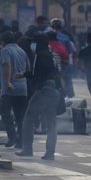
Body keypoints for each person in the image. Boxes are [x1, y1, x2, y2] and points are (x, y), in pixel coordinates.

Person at [15, 32, 61, 160]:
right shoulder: (51, 55)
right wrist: (24, 74)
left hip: (44, 91)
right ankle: (50, 153)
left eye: (34, 42)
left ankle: (27, 149)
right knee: (51, 123)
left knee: (28, 119)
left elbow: (37, 76)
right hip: (54, 91)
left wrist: (24, 75)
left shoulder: (40, 56)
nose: (32, 45)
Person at [0, 30, 29, 148]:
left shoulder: (5, 50)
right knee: (20, 116)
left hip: (9, 89)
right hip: (22, 88)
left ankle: (12, 136)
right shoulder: (22, 51)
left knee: (5, 113)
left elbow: (7, 64)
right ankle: (20, 141)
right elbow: (27, 68)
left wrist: (8, 82)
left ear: (3, 42)